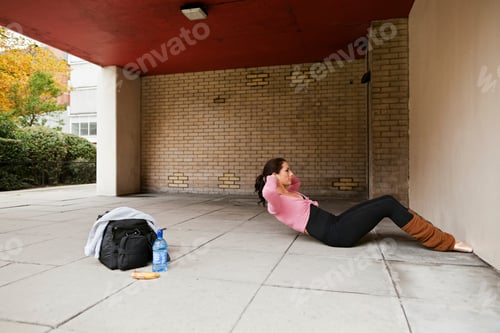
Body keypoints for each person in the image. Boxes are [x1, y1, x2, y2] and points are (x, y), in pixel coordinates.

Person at [254, 157, 473, 252]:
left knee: (385, 200)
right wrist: (269, 177)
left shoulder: (289, 192)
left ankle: (429, 229)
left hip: (336, 223)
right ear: (273, 176)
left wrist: (287, 178)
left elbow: (295, 182)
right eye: (286, 170)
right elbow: (269, 190)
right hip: (336, 235)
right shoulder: (275, 202)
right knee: (387, 204)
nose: (291, 174)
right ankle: (444, 242)